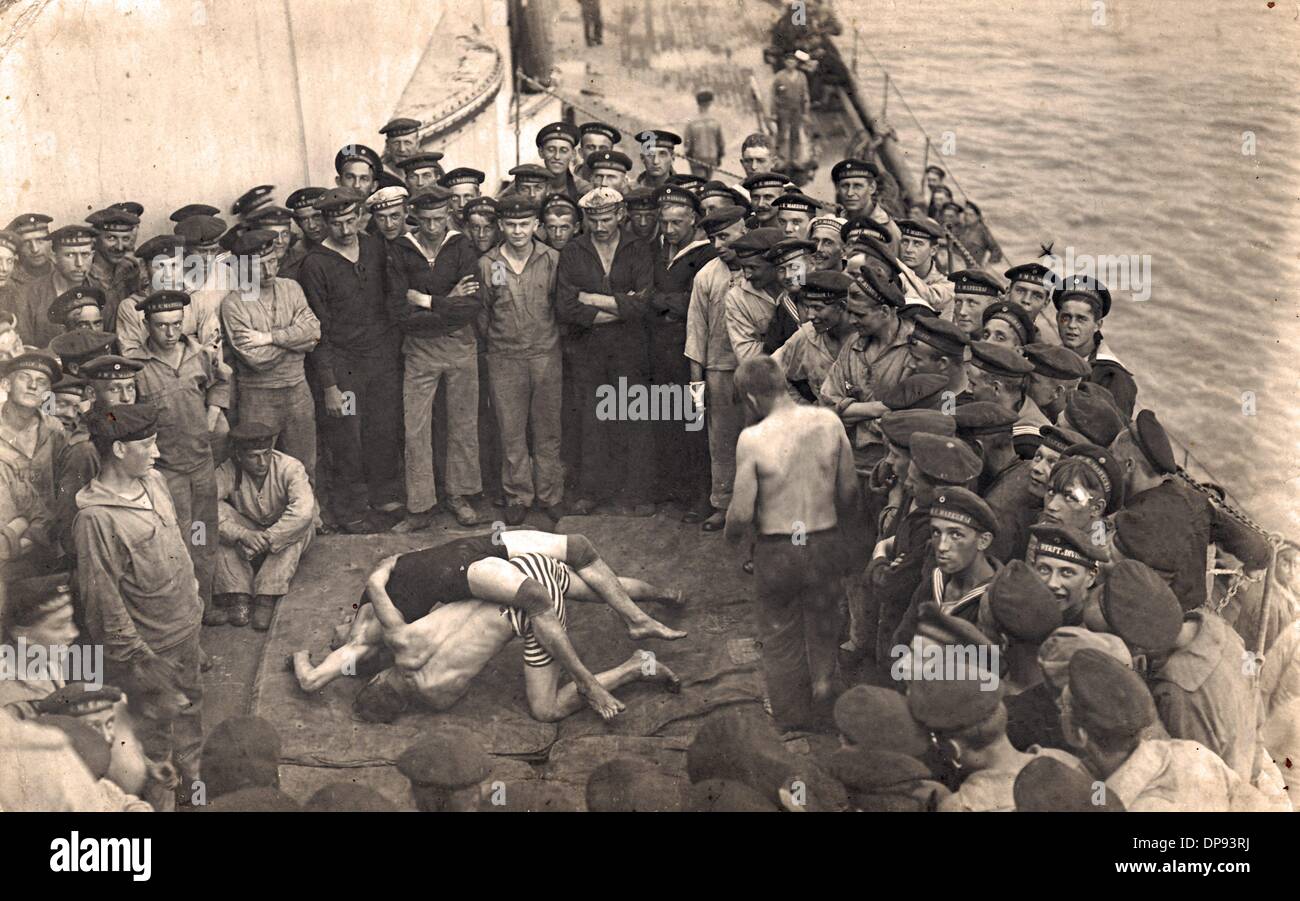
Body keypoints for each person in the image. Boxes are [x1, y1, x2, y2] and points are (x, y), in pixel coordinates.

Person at [294, 529, 685, 723]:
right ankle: (660, 596)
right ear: (379, 680)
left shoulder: (436, 698)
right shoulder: (402, 641)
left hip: (521, 603)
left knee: (546, 709)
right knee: (594, 586)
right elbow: (381, 589)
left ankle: (631, 667)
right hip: (518, 575)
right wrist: (382, 573)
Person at [73, 404, 204, 804]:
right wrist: (139, 658)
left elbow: (177, 545)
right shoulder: (96, 519)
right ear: (117, 450)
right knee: (154, 737)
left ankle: (195, 790)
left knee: (190, 714)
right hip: (148, 650)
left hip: (185, 628)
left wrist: (194, 599)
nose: (156, 451)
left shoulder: (155, 481)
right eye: (146, 445)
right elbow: (103, 600)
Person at [725, 355, 858, 731]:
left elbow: (739, 513)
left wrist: (732, 541)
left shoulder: (752, 439)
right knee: (824, 624)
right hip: (825, 540)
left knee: (780, 634)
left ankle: (792, 719)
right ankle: (824, 693)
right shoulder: (829, 421)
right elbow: (849, 491)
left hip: (779, 549)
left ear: (751, 399)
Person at [298, 188, 403, 533]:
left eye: (349, 221)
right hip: (343, 366)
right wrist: (329, 383)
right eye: (336, 223)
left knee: (383, 429)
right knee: (346, 437)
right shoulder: (315, 264)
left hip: (381, 359)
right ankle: (351, 508)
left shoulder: (373, 246)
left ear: (359, 216)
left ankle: (384, 497)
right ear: (325, 223)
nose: (344, 230)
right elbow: (318, 329)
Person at [1060, 648, 1283, 811]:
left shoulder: (1124, 806)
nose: (1060, 712)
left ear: (1080, 735)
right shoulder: (1191, 753)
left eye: (1063, 708)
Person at [126, 290, 229, 624]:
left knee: (203, 537)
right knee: (176, 542)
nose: (170, 333)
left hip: (200, 467)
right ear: (146, 325)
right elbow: (120, 414)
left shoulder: (199, 355)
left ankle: (205, 605)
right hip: (165, 472)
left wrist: (213, 413)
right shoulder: (135, 366)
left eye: (175, 324)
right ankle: (182, 615)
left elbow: (219, 382)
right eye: (161, 326)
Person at [386, 186, 485, 531]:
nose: (432, 226)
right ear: (415, 217)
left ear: (448, 215)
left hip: (460, 344)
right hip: (419, 349)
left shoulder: (461, 246)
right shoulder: (400, 250)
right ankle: (420, 505)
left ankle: (460, 495)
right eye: (425, 219)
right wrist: (449, 300)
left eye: (439, 219)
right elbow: (399, 311)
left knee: (462, 422)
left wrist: (427, 301)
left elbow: (471, 306)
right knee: (416, 427)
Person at [555, 187, 656, 515]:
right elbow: (567, 307)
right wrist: (619, 306)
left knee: (634, 417)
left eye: (606, 218)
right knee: (592, 419)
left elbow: (643, 304)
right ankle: (592, 491)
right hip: (589, 350)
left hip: (630, 349)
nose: (600, 225)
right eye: (593, 219)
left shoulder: (638, 248)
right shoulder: (573, 251)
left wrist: (592, 299)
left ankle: (638, 493)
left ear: (620, 214)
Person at [1110, 409, 1271, 611]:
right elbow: (1259, 548)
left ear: (1128, 465)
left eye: (1112, 460)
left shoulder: (1132, 519)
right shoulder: (1196, 501)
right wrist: (1254, 566)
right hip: (1195, 616)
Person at [477, 195, 564, 524]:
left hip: (545, 354)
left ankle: (549, 495)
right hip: (504, 358)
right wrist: (501, 343)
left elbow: (558, 304)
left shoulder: (551, 258)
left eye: (524, 224)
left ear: (536, 226)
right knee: (511, 431)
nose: (517, 231)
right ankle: (518, 495)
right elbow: (483, 312)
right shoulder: (490, 263)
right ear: (501, 225)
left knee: (548, 429)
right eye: (511, 225)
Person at [220, 229, 321, 484]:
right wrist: (297, 342)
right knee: (258, 468)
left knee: (305, 463)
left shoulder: (291, 288)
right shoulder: (234, 303)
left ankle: (311, 520)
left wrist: (269, 337)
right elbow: (256, 359)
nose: (268, 272)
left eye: (272, 262)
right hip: (258, 396)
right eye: (258, 266)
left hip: (298, 389)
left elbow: (315, 331)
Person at [646, 185, 715, 520]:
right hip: (661, 354)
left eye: (677, 223)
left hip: (692, 355)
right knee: (667, 421)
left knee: (695, 425)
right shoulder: (657, 250)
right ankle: (676, 491)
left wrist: (661, 301)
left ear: (693, 221)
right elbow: (645, 295)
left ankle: (702, 496)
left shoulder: (705, 255)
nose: (670, 230)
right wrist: (660, 302)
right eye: (665, 223)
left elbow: (695, 303)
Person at [214, 421, 316, 630]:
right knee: (215, 516)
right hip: (251, 530)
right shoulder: (227, 469)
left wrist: (267, 538)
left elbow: (302, 511)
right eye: (253, 456)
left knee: (302, 522)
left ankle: (266, 595)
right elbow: (206, 506)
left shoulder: (290, 467)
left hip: (282, 532)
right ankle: (238, 592)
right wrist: (241, 533)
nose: (262, 462)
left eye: (266, 453)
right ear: (239, 456)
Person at [686, 205, 747, 530]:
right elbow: (696, 330)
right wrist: (697, 383)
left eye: (725, 236)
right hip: (719, 370)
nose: (719, 244)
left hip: (755, 372)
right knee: (721, 441)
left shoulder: (762, 269)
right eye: (713, 238)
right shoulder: (707, 275)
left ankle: (758, 509)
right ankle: (722, 505)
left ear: (743, 231)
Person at [894, 486, 1001, 646]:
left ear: (983, 541)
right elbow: (900, 643)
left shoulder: (997, 597)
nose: (942, 546)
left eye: (956, 535)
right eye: (936, 532)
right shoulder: (935, 581)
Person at [1052, 275, 1137, 417]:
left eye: (1081, 319)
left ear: (1098, 325)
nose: (1072, 326)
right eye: (1066, 317)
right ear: (1057, 318)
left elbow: (1114, 432)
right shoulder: (1045, 360)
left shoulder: (1113, 377)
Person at [17, 225, 96, 349]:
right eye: (70, 255)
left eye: (85, 254)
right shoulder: (28, 295)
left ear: (93, 255)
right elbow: (24, 346)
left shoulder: (102, 292)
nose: (79, 263)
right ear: (54, 258)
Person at [84, 207, 146, 330]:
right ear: (94, 239)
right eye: (111, 238)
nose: (119, 247)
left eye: (125, 239)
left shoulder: (131, 270)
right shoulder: (82, 274)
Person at [1023, 342, 1090, 425]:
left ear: (1057, 392)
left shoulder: (1074, 426)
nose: (1023, 383)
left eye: (1032, 381)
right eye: (1025, 377)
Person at [771, 53, 810, 167]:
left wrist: (806, 112)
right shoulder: (779, 76)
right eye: (788, 62)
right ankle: (780, 159)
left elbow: (805, 95)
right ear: (784, 62)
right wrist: (773, 112)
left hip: (797, 110)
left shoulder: (802, 76)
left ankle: (794, 158)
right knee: (782, 134)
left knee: (795, 134)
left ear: (796, 63)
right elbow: (773, 95)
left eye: (793, 62)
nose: (790, 64)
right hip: (783, 110)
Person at [6, 213, 54, 290]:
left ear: (50, 242)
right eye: (26, 242)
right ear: (16, 248)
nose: (35, 249)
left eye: (40, 240)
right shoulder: (6, 279)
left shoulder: (63, 273)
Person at [684, 90, 725, 179]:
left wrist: (689, 157)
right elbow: (720, 143)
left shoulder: (691, 123)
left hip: (697, 158)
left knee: (699, 183)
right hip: (712, 157)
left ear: (698, 103)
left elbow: (687, 144)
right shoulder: (715, 122)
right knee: (708, 183)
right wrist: (719, 157)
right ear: (710, 103)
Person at [535, 121, 581, 201]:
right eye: (551, 150)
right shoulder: (528, 186)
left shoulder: (582, 189)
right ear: (541, 152)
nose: (557, 157)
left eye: (564, 150)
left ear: (573, 154)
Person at [573, 122, 621, 190]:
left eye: (603, 148)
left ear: (611, 153)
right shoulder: (567, 181)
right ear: (581, 152)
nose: (597, 153)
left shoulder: (620, 184)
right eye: (591, 148)